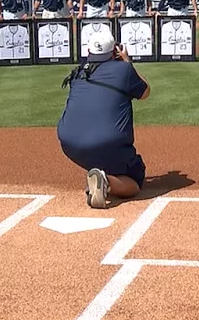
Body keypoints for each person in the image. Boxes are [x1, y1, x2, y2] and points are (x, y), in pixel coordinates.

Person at [58, 31, 151, 209]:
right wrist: (127, 62)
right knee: (135, 180)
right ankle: (106, 181)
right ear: (114, 51)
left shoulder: (78, 72)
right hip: (107, 143)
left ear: (88, 50)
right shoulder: (123, 69)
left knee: (98, 151)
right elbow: (145, 92)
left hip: (69, 143)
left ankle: (99, 173)